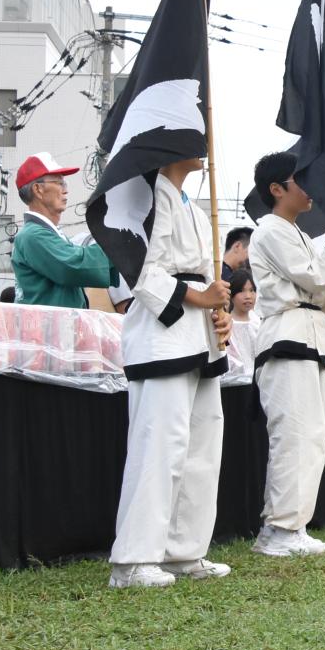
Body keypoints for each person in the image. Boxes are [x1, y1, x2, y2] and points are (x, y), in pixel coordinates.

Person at [107, 156, 233, 589]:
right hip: (161, 335)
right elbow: (141, 271)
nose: (201, 145)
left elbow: (204, 279)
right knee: (159, 446)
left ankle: (183, 551)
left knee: (201, 446)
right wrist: (200, 298)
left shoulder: (192, 206)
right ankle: (133, 560)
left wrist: (219, 310)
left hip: (198, 336)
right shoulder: (144, 196)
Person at [247, 152, 325, 557]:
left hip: (310, 336)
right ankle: (280, 529)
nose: (310, 188)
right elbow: (313, 277)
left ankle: (291, 525)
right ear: (277, 189)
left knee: (312, 437)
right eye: (300, 180)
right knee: (293, 436)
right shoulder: (269, 231)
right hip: (286, 337)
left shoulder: (297, 234)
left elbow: (320, 292)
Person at [10, 152, 118, 308]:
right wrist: (119, 244)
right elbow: (74, 265)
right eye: (59, 183)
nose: (65, 190)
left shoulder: (42, 233)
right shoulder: (33, 235)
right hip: (48, 324)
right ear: (38, 189)